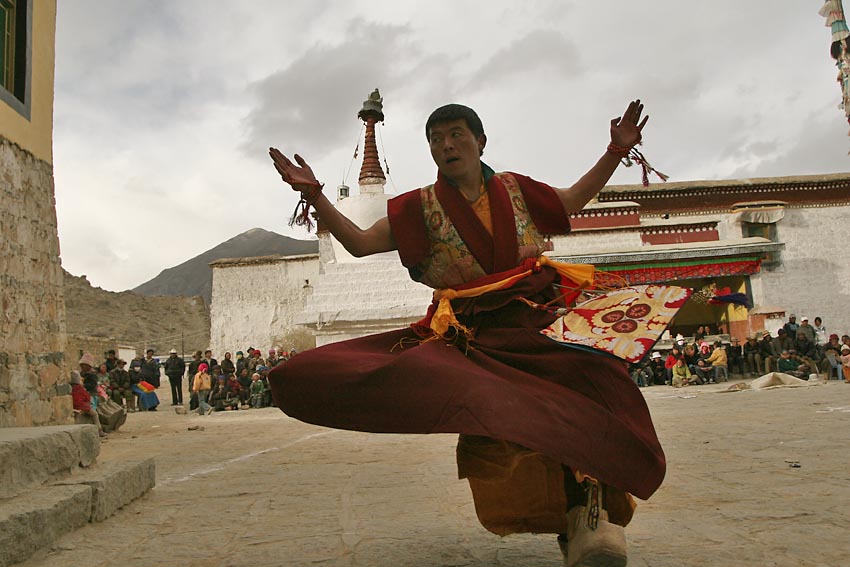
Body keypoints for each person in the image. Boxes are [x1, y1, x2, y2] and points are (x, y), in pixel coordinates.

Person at [269, 100, 665, 566]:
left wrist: (616, 152)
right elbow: (357, 243)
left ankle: (590, 514)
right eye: (435, 139)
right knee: (506, 418)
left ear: (480, 140)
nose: (446, 145)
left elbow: (573, 200)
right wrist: (315, 195)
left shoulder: (517, 189)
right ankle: (570, 517)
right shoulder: (420, 207)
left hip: (539, 321)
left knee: (598, 388)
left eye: (456, 134)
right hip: (476, 337)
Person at [71, 371, 106, 437]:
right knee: (94, 414)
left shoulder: (71, 388)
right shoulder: (81, 389)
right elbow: (87, 397)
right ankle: (99, 430)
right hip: (83, 406)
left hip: (74, 406)